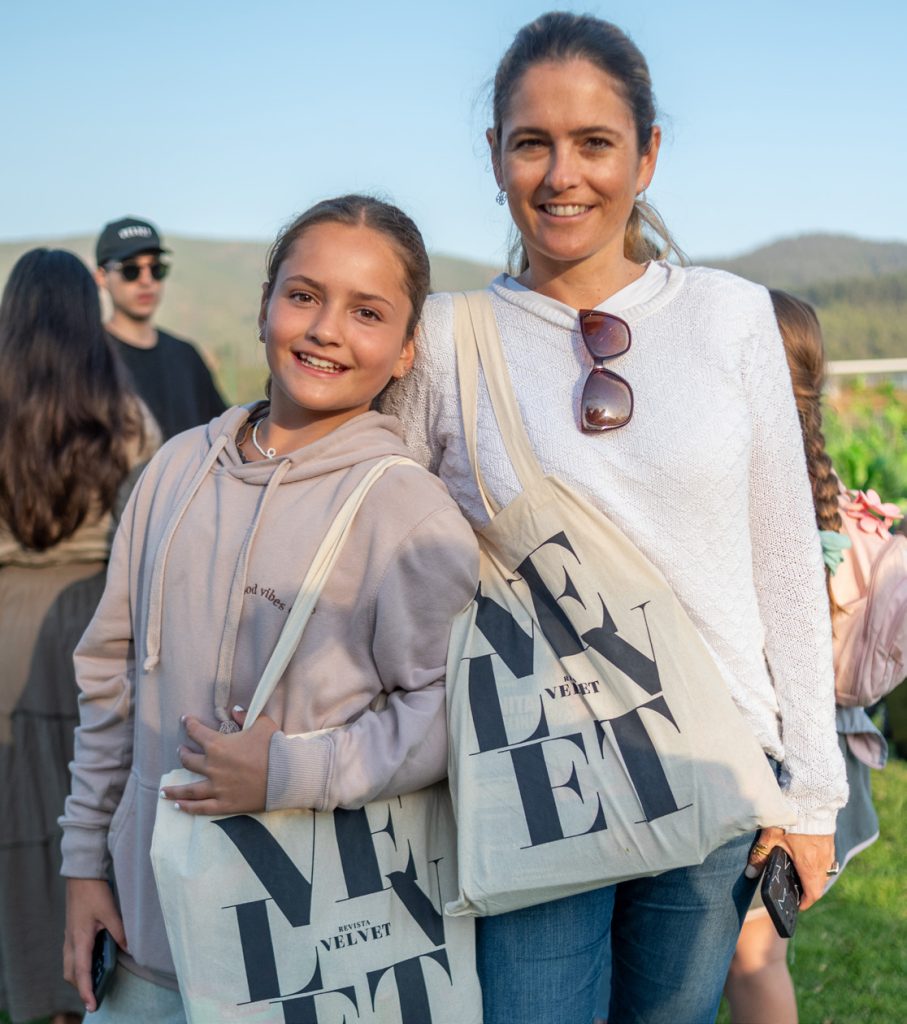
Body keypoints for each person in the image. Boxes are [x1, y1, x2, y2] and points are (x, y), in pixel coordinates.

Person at [383, 13, 847, 1023]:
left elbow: (780, 559)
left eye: (593, 143)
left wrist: (811, 794)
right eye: (531, 142)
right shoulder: (449, 339)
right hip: (530, 781)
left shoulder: (729, 317)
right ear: (495, 154)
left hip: (713, 772)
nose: (562, 175)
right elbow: (377, 540)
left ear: (647, 154)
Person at [60, 195, 480, 1020]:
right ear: (263, 307)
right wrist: (83, 861)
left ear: (404, 351)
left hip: (316, 961)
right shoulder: (175, 471)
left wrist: (291, 770)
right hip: (150, 943)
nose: (326, 329)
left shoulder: (409, 514)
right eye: (303, 296)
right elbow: (108, 678)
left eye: (367, 312)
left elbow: (450, 710)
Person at [723, 291, 890, 1024]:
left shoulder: (761, 491)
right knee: (752, 956)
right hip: (801, 754)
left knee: (750, 955)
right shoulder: (818, 490)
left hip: (772, 759)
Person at [0, 249, 157, 1024]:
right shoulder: (124, 414)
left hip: (4, 631)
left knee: (18, 823)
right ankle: (90, 990)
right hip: (96, 626)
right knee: (91, 813)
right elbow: (150, 537)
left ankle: (28, 990)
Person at [95, 216, 226, 440]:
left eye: (156, 268)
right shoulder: (89, 357)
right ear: (102, 277)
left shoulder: (186, 356)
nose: (146, 280)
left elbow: (221, 433)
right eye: (131, 270)